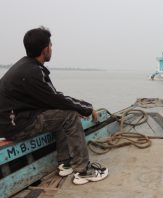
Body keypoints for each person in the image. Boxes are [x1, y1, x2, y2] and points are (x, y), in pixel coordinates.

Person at [0, 27, 108, 185]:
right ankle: (83, 171)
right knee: (70, 115)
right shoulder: (33, 73)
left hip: (10, 122)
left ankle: (65, 163)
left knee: (59, 112)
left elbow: (52, 99)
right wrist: (87, 108)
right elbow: (57, 98)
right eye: (51, 45)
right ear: (45, 50)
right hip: (17, 125)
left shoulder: (26, 66)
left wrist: (79, 106)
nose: (52, 48)